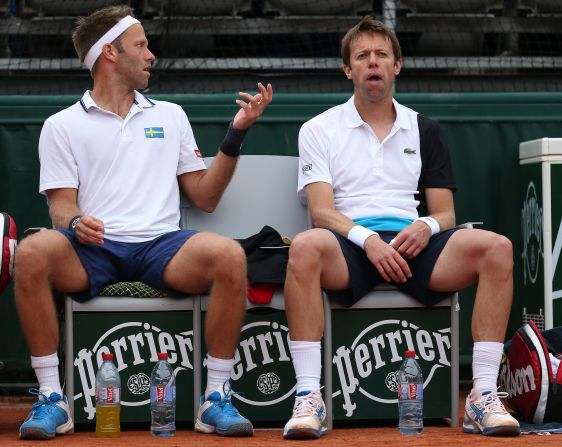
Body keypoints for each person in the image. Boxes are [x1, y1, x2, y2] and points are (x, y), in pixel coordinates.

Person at [13, 5, 272, 441]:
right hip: (94, 248)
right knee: (32, 252)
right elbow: (60, 206)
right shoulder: (60, 125)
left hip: (161, 246)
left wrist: (236, 133)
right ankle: (52, 398)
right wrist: (76, 223)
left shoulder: (169, 115)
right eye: (141, 45)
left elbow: (205, 196)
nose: (150, 54)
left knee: (229, 255)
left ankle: (215, 398)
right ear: (110, 53)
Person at [282, 16, 519, 439]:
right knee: (304, 246)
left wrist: (426, 226)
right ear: (347, 69)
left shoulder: (425, 128)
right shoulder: (317, 129)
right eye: (362, 56)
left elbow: (445, 211)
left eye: (381, 54)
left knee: (497, 247)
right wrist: (367, 240)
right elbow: (321, 211)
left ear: (397, 65)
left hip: (414, 246)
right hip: (350, 245)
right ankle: (308, 397)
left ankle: (482, 395)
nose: (372, 62)